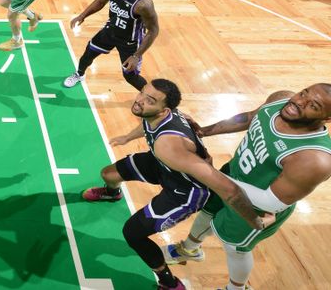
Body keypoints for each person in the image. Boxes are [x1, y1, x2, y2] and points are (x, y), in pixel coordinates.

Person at [83, 79, 265, 290]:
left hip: (185, 192)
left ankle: (169, 282)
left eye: (150, 100)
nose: (140, 100)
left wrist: (255, 220)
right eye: (142, 92)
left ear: (164, 110)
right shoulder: (159, 114)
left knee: (132, 233)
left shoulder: (169, 146)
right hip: (164, 166)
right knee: (108, 174)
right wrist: (127, 137)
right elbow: (146, 125)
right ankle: (112, 193)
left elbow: (228, 188)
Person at [162, 84, 331, 290]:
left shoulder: (315, 159)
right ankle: (190, 249)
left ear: (327, 118)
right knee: (206, 213)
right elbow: (251, 117)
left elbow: (272, 202)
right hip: (231, 174)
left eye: (313, 105)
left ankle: (236, 288)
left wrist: (209, 174)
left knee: (235, 248)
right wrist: (204, 131)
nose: (299, 102)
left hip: (257, 205)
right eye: (304, 93)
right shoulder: (281, 99)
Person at [63, 0, 158, 90]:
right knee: (87, 55)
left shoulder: (143, 4)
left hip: (130, 43)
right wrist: (82, 16)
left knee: (130, 77)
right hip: (110, 32)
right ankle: (79, 74)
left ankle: (153, 99)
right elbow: (100, 1)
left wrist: (136, 56)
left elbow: (153, 31)